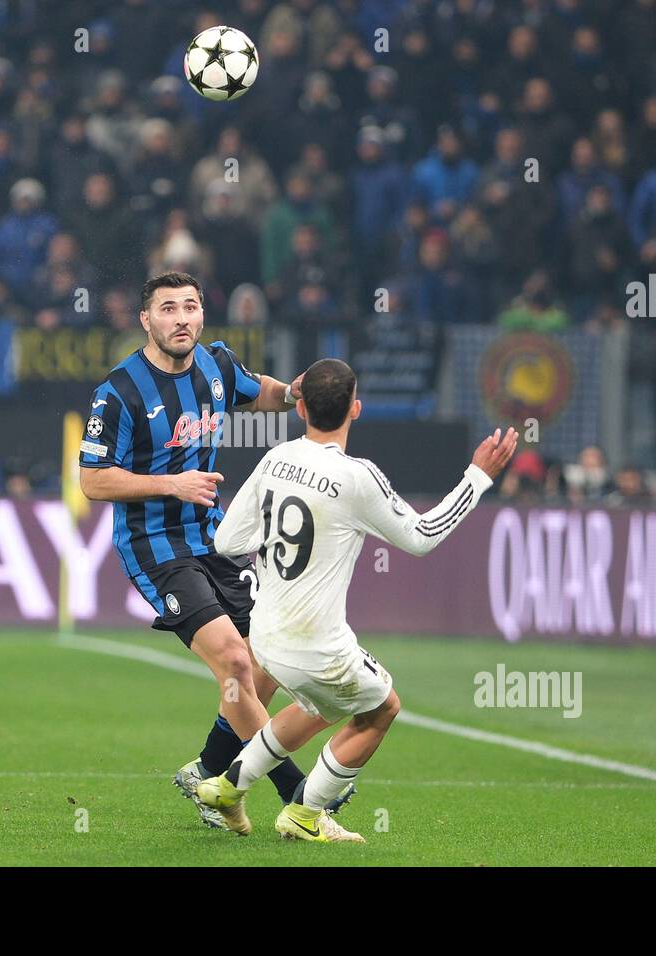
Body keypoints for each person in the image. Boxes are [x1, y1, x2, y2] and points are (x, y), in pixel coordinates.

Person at [77, 271, 352, 830]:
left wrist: (294, 391)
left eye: (192, 307)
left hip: (216, 537)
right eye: (169, 309)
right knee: (232, 660)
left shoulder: (217, 365)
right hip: (155, 545)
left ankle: (208, 771)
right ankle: (297, 794)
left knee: (264, 664)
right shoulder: (119, 392)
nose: (182, 318)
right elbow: (92, 480)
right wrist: (171, 485)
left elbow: (265, 395)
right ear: (146, 320)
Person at [198, 359, 517, 840]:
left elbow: (225, 542)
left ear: (300, 406)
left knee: (319, 706)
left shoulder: (275, 459)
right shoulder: (357, 477)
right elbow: (423, 536)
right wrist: (477, 475)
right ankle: (304, 814)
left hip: (263, 636)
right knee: (382, 707)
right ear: (356, 409)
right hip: (315, 645)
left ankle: (227, 786)